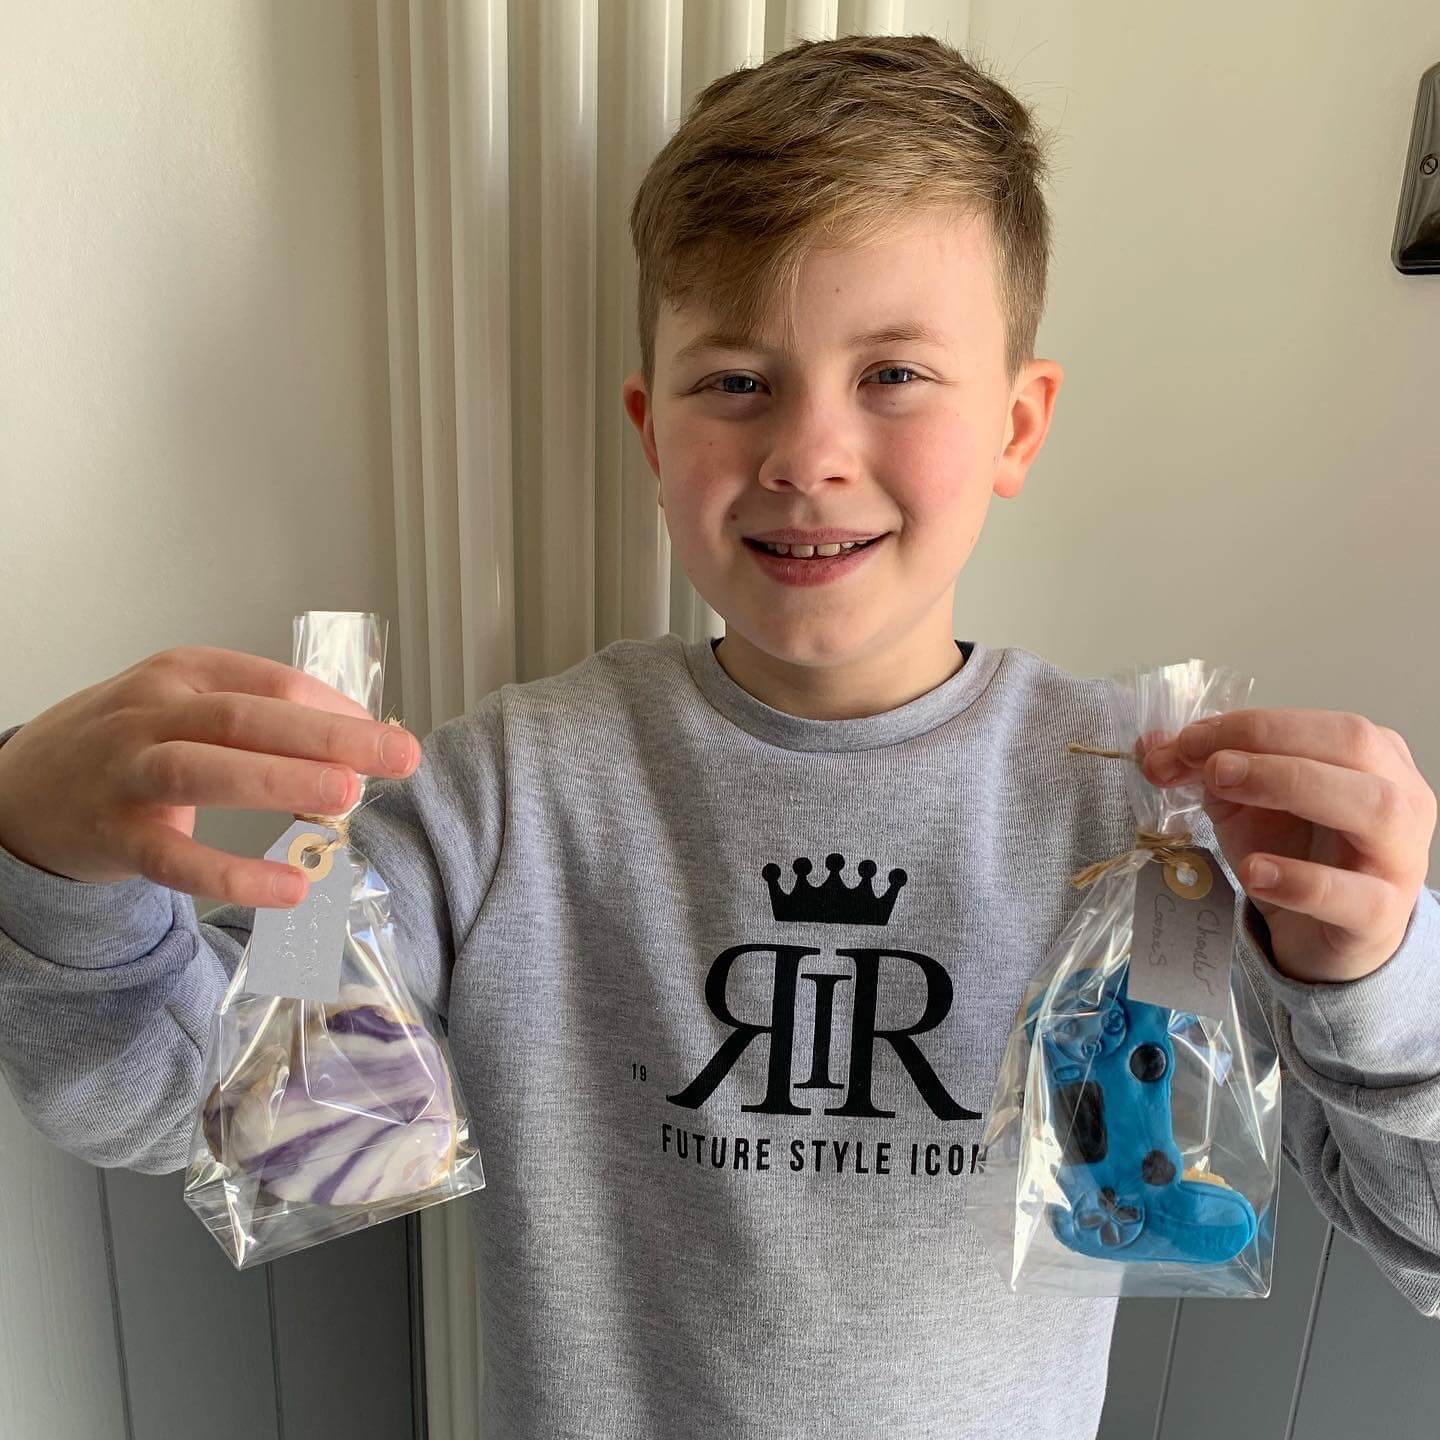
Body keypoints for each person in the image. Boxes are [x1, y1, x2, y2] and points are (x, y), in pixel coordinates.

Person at [1, 32, 1437, 1440]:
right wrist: (49, 866)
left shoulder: (1146, 810)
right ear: (651, 427)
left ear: (1019, 420)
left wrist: (1375, 979)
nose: (809, 452)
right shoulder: (506, 795)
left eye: (893, 374)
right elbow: (220, 1106)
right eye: (735, 380)